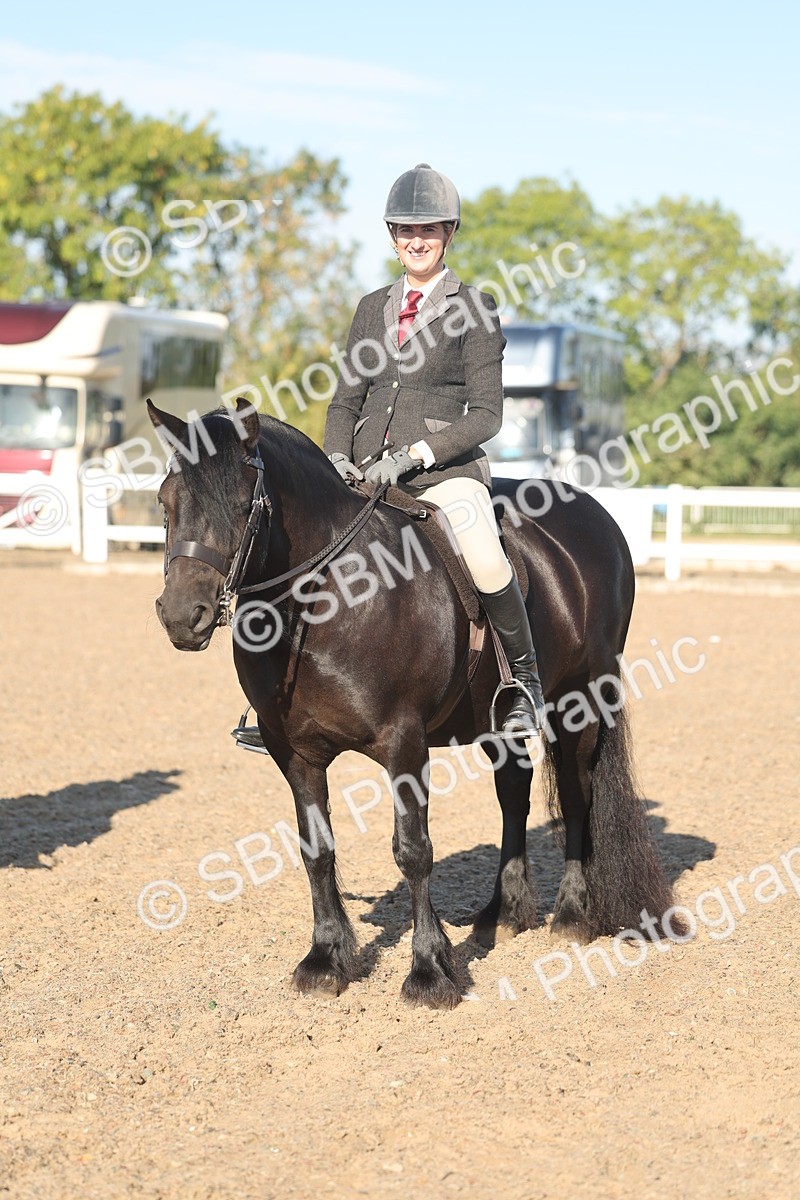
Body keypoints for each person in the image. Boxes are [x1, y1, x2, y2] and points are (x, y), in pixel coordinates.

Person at [323, 163, 545, 738]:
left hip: (444, 473)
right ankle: (289, 697)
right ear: (392, 236)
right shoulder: (371, 308)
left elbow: (487, 415)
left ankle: (523, 686)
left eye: (429, 231)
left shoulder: (475, 306)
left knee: (485, 552)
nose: (416, 241)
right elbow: (346, 400)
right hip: (367, 471)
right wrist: (335, 457)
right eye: (405, 231)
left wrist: (417, 454)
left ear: (449, 234)